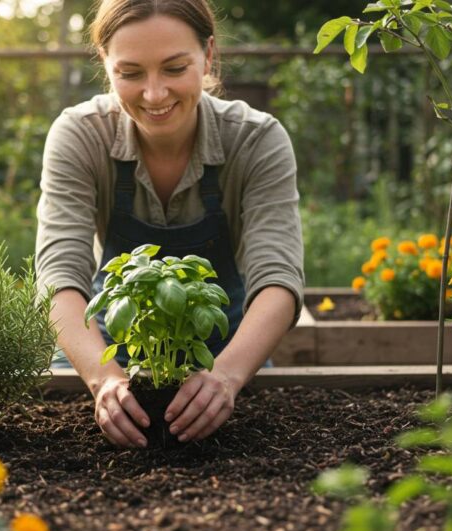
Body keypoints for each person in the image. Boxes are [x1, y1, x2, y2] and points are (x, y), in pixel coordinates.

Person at [35, 0, 303, 448]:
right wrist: (104, 382)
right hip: (101, 350)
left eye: (175, 68)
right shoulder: (81, 135)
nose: (154, 94)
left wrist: (226, 377)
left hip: (222, 353)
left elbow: (278, 277)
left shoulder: (256, 139)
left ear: (209, 55)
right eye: (131, 73)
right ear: (105, 63)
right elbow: (58, 276)